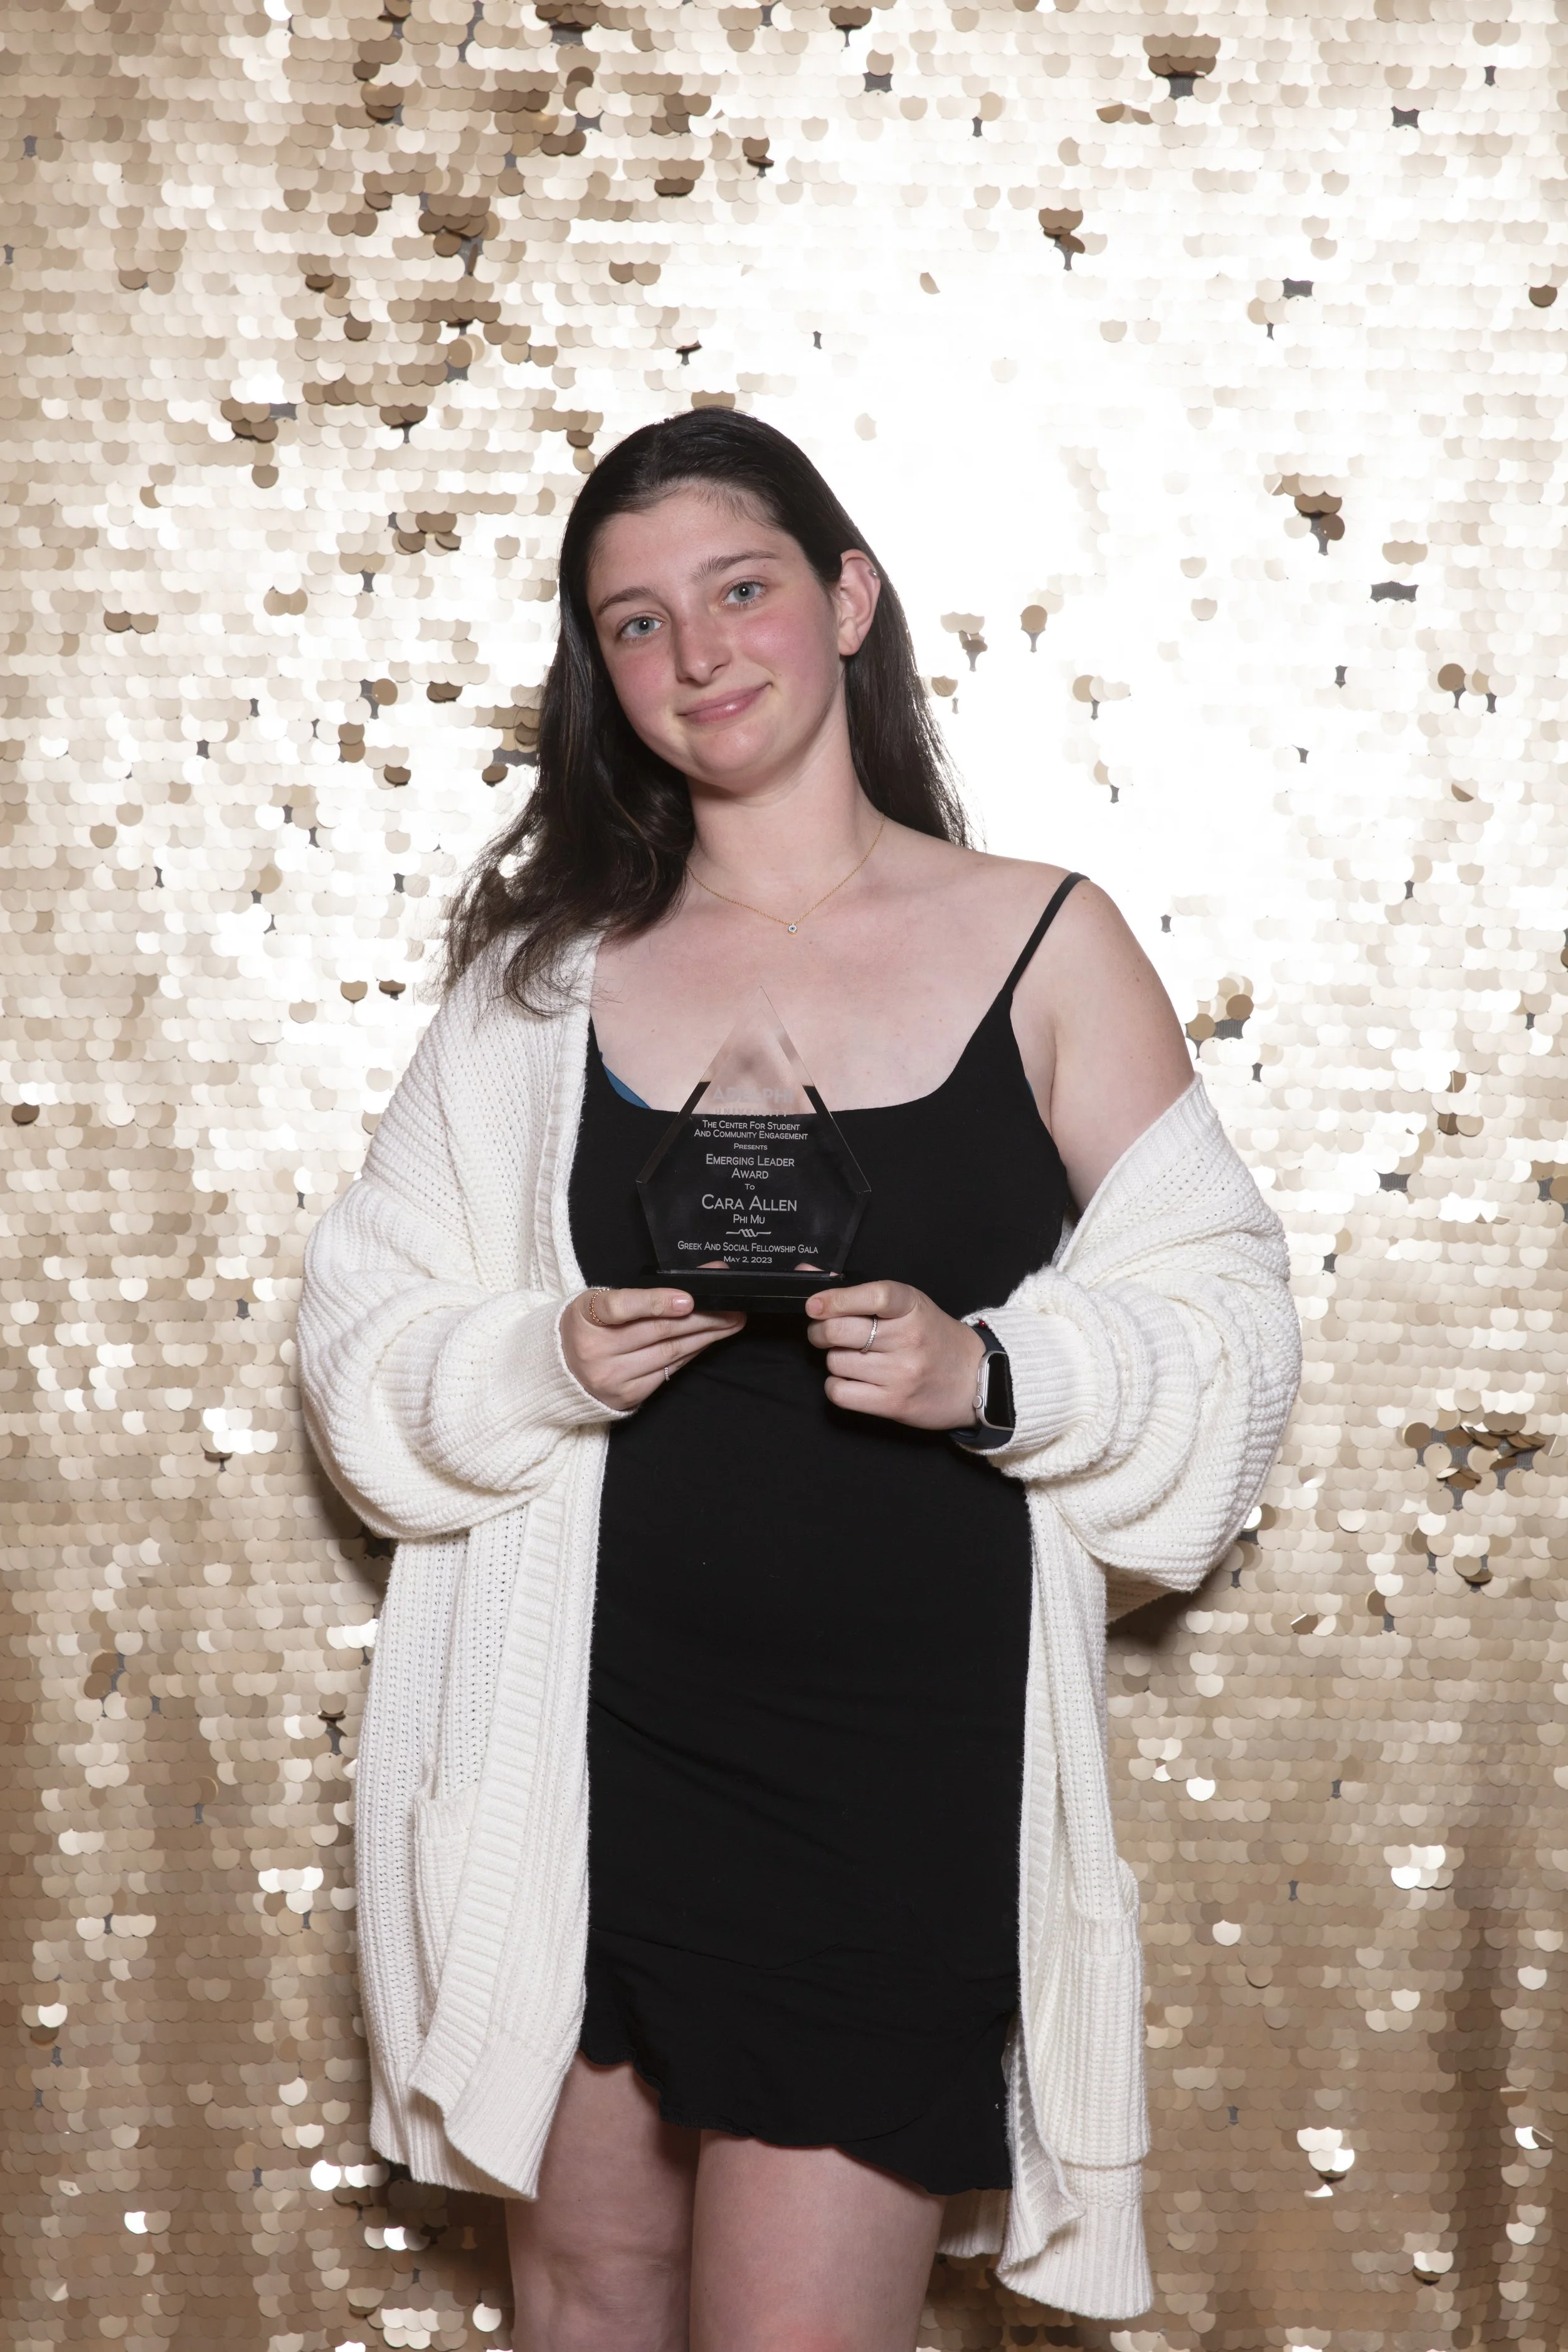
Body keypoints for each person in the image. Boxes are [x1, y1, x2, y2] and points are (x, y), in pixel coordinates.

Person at [297, 411, 1300, 2351]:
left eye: (739, 589)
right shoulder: (535, 988)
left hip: (892, 1778)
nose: (698, 654)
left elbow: (1227, 1316)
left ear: (847, 599)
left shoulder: (1044, 939)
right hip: (582, 1753)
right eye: (635, 622)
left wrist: (994, 1369)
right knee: (589, 2295)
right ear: (600, 669)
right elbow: (363, 1337)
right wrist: (540, 1355)